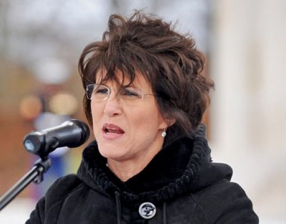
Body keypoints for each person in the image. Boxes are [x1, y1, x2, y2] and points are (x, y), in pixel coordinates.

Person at [26, 10, 259, 224]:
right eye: (101, 91)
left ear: (169, 113)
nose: (109, 107)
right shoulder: (60, 203)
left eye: (129, 93)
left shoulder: (223, 207)